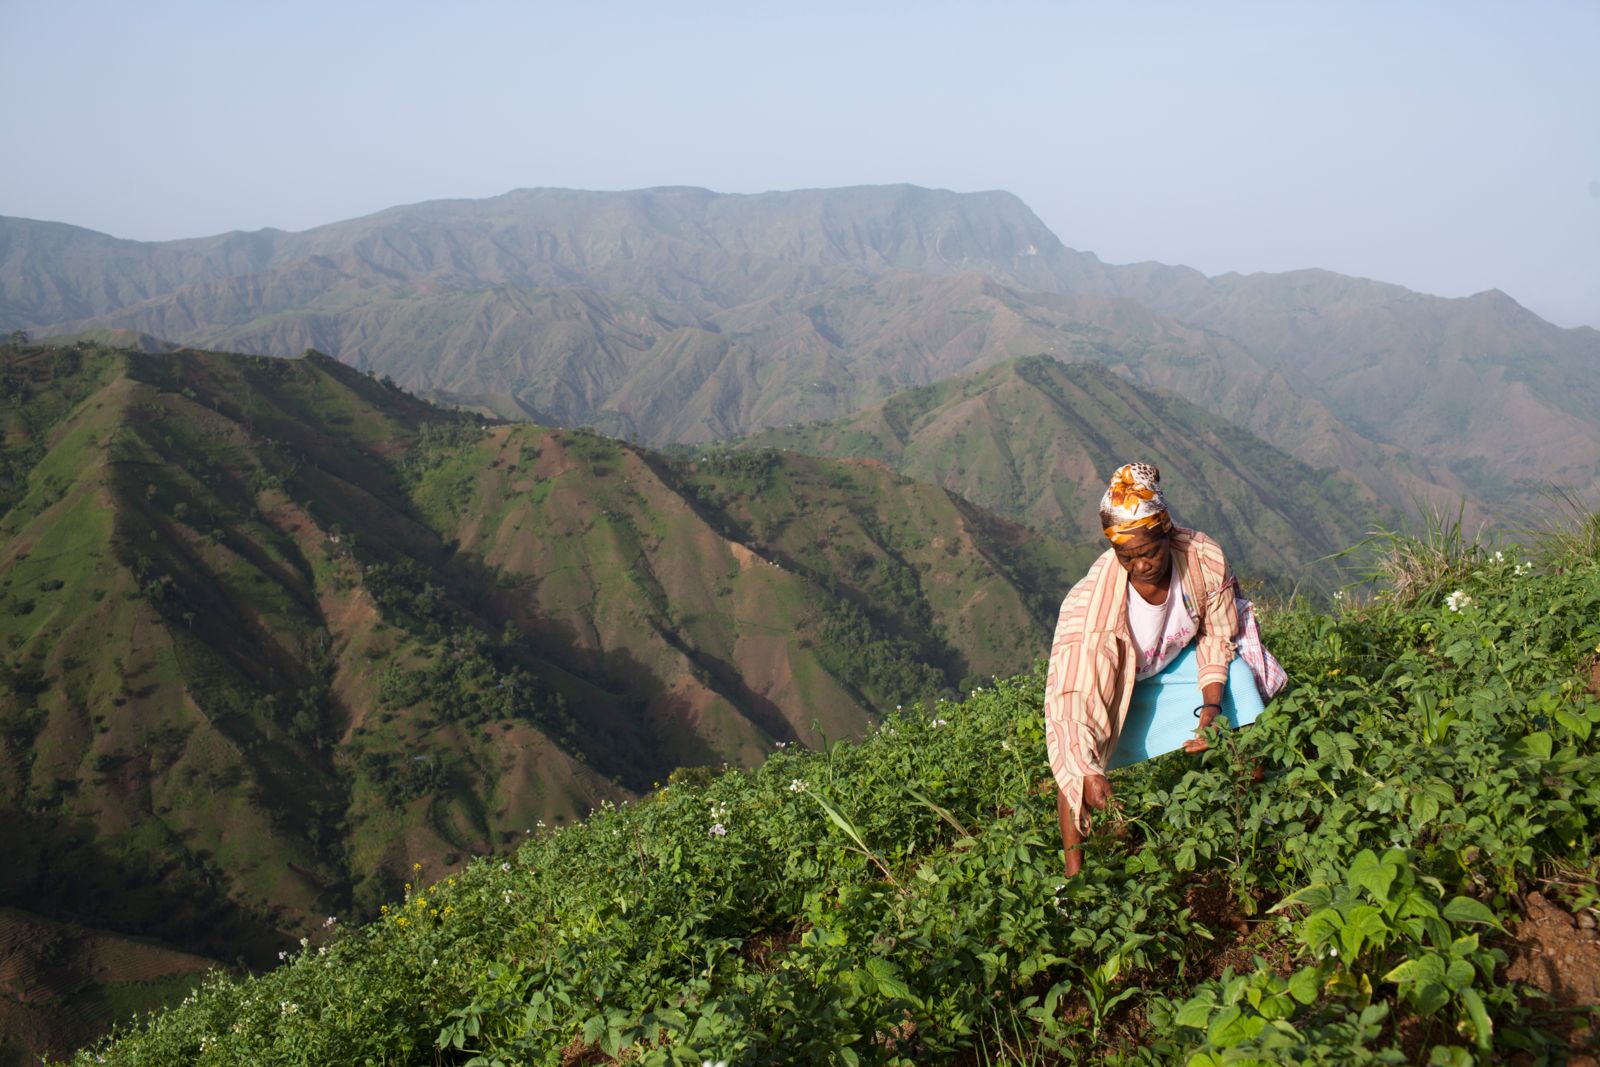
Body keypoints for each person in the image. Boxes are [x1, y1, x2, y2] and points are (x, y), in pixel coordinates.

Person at [1044, 463, 1284, 878]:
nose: (1140, 566)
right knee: (1078, 765)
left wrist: (1210, 706)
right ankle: (1073, 881)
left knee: (1241, 686)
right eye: (1127, 556)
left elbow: (1216, 636)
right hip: (1119, 687)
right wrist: (1084, 770)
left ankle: (1261, 813)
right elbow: (1072, 701)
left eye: (1148, 551)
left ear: (1166, 533)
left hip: (1175, 671)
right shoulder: (1089, 610)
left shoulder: (1202, 559)